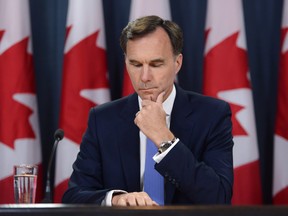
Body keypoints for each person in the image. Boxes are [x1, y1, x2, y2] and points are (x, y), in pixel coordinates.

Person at [62, 15, 234, 206]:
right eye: (136, 64)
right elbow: (74, 196)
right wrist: (116, 199)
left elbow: (218, 196)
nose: (144, 77)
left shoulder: (212, 115)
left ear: (177, 63)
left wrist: (163, 138)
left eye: (156, 64)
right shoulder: (102, 119)